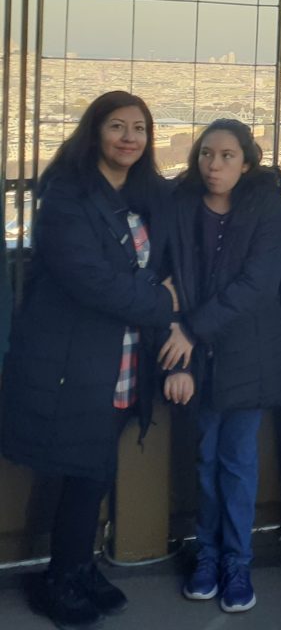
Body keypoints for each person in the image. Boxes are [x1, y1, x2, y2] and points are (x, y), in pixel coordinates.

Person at [0, 90, 190, 630]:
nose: (130, 138)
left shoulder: (144, 194)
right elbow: (95, 283)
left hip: (119, 360)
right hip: (72, 362)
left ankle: (77, 569)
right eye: (117, 126)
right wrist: (165, 300)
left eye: (139, 128)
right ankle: (60, 579)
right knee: (79, 471)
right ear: (94, 131)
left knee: (95, 470)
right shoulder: (66, 196)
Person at [171, 119, 281, 614]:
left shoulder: (264, 209)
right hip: (199, 358)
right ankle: (210, 555)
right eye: (206, 154)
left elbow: (257, 284)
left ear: (247, 162)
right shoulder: (180, 208)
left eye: (226, 156)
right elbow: (168, 278)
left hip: (246, 356)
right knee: (206, 463)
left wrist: (190, 332)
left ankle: (236, 563)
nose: (214, 164)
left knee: (237, 464)